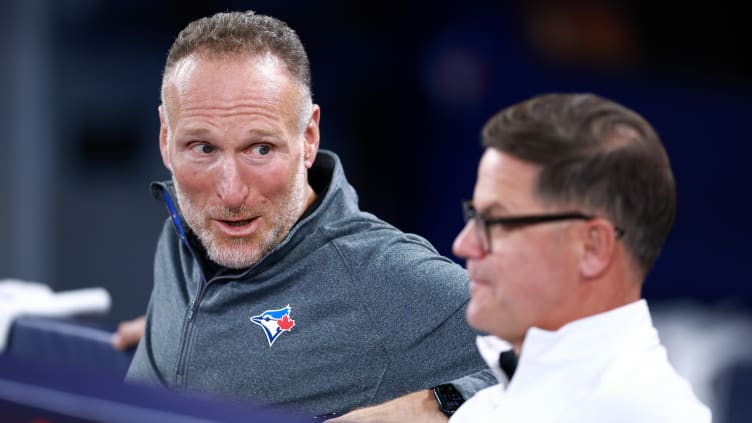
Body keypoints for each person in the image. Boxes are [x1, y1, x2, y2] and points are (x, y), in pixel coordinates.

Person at [124, 10, 495, 418]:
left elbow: (565, 354)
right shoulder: (180, 234)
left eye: (260, 149)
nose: (230, 192)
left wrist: (440, 404)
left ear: (309, 138)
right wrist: (200, 335)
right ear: (165, 138)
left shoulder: (382, 276)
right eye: (203, 148)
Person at [445, 93, 711, 422]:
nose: (464, 244)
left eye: (496, 222)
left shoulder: (646, 412)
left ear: (592, 247)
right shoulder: (482, 410)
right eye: (473, 215)